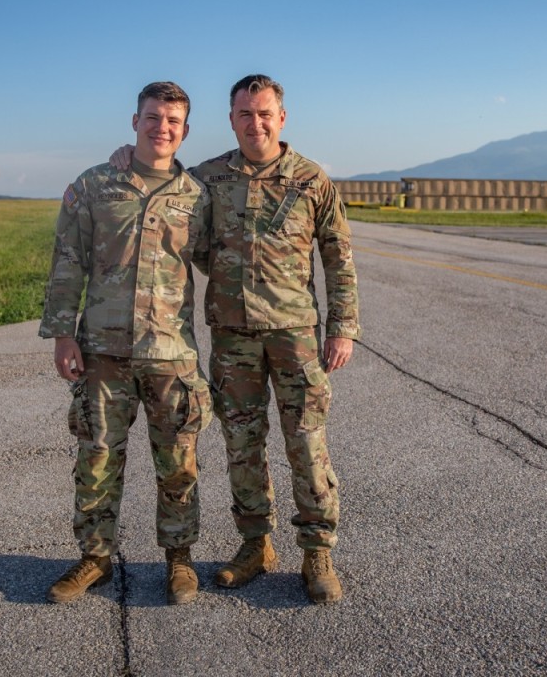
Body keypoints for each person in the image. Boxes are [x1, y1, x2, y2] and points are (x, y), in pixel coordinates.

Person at [110, 74, 360, 604]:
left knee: (306, 444)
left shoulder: (311, 179)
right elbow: (166, 191)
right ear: (231, 119)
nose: (256, 123)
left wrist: (342, 327)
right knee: (242, 446)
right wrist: (125, 157)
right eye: (245, 114)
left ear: (282, 117)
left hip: (295, 337)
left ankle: (317, 551)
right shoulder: (208, 178)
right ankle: (255, 544)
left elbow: (338, 258)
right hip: (232, 338)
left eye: (265, 113)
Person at [40, 81, 212, 606]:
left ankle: (179, 560)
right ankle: (94, 559)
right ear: (135, 121)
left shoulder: (198, 196)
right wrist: (63, 335)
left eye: (173, 121)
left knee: (178, 464)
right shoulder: (95, 185)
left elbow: (222, 262)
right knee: (96, 459)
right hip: (102, 352)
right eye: (153, 117)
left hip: (170, 354)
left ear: (185, 131)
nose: (162, 128)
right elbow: (68, 260)